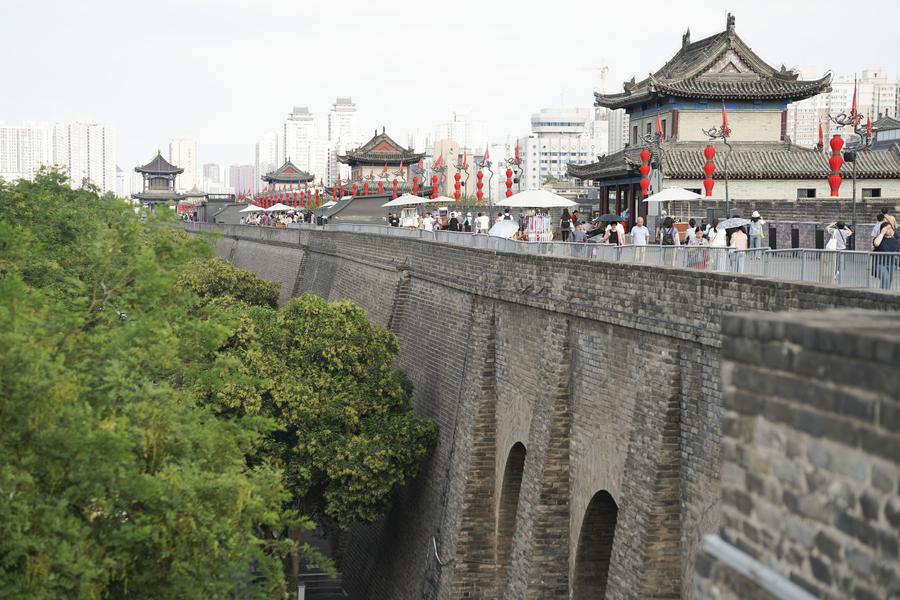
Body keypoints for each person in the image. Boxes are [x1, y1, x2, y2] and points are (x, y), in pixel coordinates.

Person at [872, 221, 898, 289]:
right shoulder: (878, 238)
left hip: (891, 264)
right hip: (880, 264)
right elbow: (876, 244)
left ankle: (884, 293)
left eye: (891, 228)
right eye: (887, 228)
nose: (890, 229)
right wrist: (882, 233)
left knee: (888, 281)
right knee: (885, 279)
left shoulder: (894, 240)